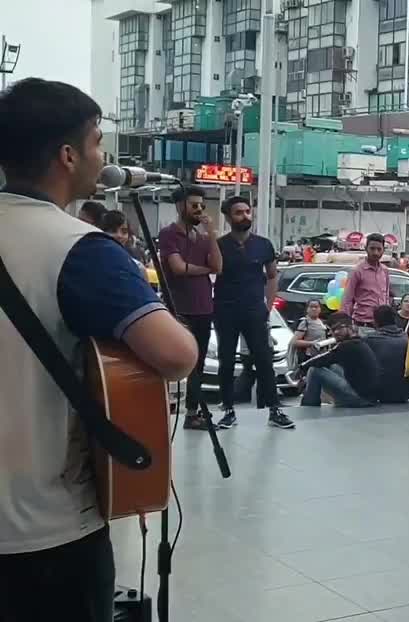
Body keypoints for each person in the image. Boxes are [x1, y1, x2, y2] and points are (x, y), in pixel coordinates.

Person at [0, 77, 198, 621]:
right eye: (96, 141)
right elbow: (176, 354)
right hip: (42, 533)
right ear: (67, 156)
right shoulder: (79, 249)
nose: (102, 155)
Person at [214, 196, 294, 429]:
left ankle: (275, 410)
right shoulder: (219, 245)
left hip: (254, 311)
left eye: (247, 211)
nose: (245, 216)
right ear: (228, 217)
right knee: (226, 361)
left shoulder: (263, 244)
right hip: (225, 310)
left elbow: (271, 276)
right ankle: (228, 410)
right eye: (239, 212)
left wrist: (267, 307)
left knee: (264, 360)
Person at [158, 185, 223, 430]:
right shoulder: (169, 235)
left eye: (201, 206)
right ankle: (163, 409)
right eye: (193, 205)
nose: (198, 210)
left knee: (199, 362)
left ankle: (192, 413)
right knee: (172, 360)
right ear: (179, 206)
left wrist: (212, 235)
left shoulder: (204, 238)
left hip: (204, 308)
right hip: (179, 308)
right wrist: (205, 270)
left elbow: (218, 266)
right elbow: (177, 267)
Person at [297, 312, 381, 408]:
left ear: (349, 327)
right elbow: (327, 360)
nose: (335, 333)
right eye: (332, 330)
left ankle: (309, 405)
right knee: (332, 366)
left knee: (314, 370)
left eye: (339, 328)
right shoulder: (358, 342)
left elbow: (322, 359)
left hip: (359, 398)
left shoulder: (347, 346)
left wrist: (302, 369)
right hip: (368, 397)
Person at [366, 305, 409, 404]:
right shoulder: (406, 337)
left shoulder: (370, 339)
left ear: (375, 321)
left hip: (382, 394)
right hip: (407, 393)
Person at [341, 233, 393, 333]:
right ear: (366, 249)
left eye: (379, 249)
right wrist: (345, 325)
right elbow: (347, 299)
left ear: (383, 250)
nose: (376, 253)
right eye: (372, 248)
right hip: (363, 326)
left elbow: (386, 296)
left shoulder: (385, 271)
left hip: (382, 327)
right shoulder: (358, 271)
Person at [292, 299, 329, 363]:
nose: (314, 309)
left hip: (321, 355)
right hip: (309, 357)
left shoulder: (323, 323)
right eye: (311, 307)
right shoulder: (305, 322)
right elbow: (295, 342)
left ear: (320, 309)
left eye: (316, 307)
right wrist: (312, 343)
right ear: (307, 309)